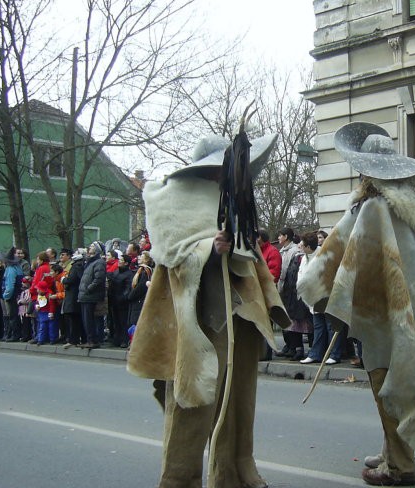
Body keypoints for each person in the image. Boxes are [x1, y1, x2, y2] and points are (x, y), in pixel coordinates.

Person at [297, 122, 415, 486]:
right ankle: (393, 448)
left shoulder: (373, 208)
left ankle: (400, 466)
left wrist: (317, 288)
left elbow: (336, 256)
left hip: (385, 313)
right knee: (401, 377)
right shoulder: (413, 208)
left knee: (387, 380)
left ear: (367, 170)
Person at [127, 131, 290, 488]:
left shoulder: (232, 198)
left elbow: (253, 254)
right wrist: (208, 248)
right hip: (197, 317)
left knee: (238, 400)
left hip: (240, 316)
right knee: (191, 403)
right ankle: (179, 480)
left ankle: (232, 473)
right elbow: (170, 253)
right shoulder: (171, 199)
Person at [299, 232, 343, 365]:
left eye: (302, 244)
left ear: (308, 246)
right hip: (312, 297)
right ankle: (316, 354)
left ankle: (334, 354)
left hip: (325, 296)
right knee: (318, 326)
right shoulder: (304, 258)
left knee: (331, 326)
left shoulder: (323, 256)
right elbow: (301, 274)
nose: (300, 246)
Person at [275, 227, 300, 357]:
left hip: (290, 289)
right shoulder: (282, 250)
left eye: (280, 235)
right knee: (284, 317)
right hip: (281, 286)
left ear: (286, 236)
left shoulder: (294, 250)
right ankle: (288, 344)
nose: (278, 238)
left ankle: (294, 346)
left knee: (292, 319)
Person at [77, 241, 107, 349]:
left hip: (90, 295)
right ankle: (90, 340)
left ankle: (92, 340)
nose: (90, 247)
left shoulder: (99, 262)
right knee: (86, 319)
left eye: (93, 246)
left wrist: (89, 289)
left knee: (89, 319)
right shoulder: (89, 262)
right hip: (85, 295)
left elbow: (99, 278)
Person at [0, 248, 25, 342]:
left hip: (12, 296)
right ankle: (17, 334)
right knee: (16, 315)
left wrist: (6, 296)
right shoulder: (18, 268)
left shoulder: (10, 270)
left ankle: (15, 335)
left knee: (12, 316)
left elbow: (9, 286)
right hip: (17, 294)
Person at [108, 253, 133, 347]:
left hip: (122, 302)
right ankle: (117, 338)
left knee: (123, 321)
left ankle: (124, 340)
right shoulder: (116, 271)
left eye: (121, 261)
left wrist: (122, 297)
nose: (119, 262)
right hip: (114, 300)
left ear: (126, 263)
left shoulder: (129, 274)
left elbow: (128, 288)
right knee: (115, 321)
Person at [62, 249, 85, 348]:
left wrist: (64, 280)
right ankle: (75, 339)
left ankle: (74, 339)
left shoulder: (77, 266)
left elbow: (73, 279)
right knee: (74, 319)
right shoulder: (77, 265)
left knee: (74, 319)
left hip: (73, 296)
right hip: (73, 295)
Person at [127, 251, 153, 335]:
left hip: (140, 300)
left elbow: (141, 287)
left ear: (146, 259)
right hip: (136, 300)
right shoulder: (139, 270)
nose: (139, 257)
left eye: (141, 256)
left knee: (137, 324)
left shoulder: (146, 271)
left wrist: (131, 295)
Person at [34, 280, 57, 345]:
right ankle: (41, 340)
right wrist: (37, 306)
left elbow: (52, 304)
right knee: (42, 327)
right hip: (42, 313)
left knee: (51, 327)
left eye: (39, 289)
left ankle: (52, 339)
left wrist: (51, 312)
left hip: (49, 313)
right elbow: (37, 302)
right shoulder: (39, 295)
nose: (37, 291)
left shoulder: (49, 295)